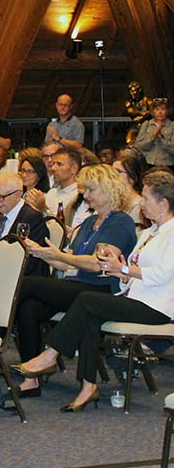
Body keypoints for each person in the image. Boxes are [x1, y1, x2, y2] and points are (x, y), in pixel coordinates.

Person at [13, 170, 174, 411]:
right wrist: (118, 270)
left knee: (87, 300)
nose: (141, 203)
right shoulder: (149, 233)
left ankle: (50, 355)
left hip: (158, 307)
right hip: (136, 298)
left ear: (163, 203)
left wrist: (125, 270)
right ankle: (88, 386)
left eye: (147, 199)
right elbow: (127, 275)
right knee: (89, 312)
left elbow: (162, 275)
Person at [0, 172, 49, 276]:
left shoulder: (32, 219)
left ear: (18, 194)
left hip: (24, 280)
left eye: (2, 197)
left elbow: (29, 262)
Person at [135, 98, 174, 168]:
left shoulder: (172, 126)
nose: (160, 112)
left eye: (163, 109)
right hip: (148, 163)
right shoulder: (146, 124)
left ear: (167, 111)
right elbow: (139, 146)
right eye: (157, 109)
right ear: (153, 112)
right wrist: (152, 137)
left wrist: (161, 137)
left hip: (167, 165)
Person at [113, 153, 146, 224]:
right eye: (112, 171)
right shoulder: (112, 200)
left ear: (132, 176)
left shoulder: (139, 205)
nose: (113, 175)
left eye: (118, 171)